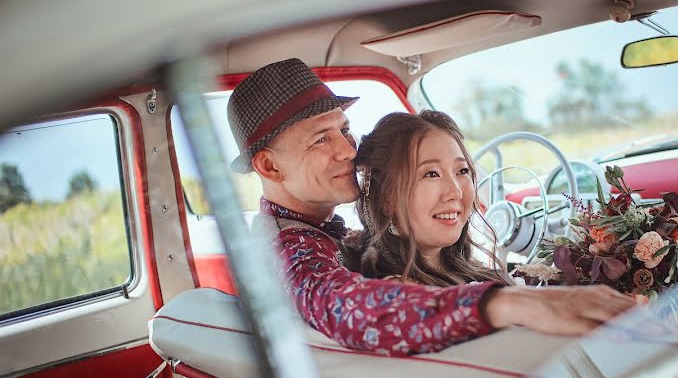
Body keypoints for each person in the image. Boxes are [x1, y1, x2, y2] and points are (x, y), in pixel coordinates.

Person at [227, 57, 635, 357]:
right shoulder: (288, 252)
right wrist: (508, 302)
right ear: (268, 165)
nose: (348, 151)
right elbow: (345, 307)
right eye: (321, 139)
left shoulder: (316, 236)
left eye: (345, 130)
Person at [342, 110, 511, 287]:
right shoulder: (400, 293)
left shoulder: (468, 271)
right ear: (387, 199)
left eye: (462, 171)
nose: (456, 192)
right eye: (431, 174)